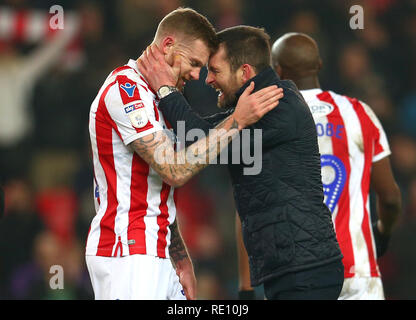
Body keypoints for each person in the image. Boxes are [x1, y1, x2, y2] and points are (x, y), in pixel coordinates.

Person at [85, 8, 282, 300]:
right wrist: (236, 121)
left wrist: (178, 256)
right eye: (193, 63)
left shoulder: (155, 97)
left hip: (156, 249)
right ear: (167, 46)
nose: (196, 75)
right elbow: (173, 171)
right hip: (128, 251)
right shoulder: (126, 90)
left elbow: (157, 187)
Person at [138, 25, 344, 300]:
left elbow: (198, 137)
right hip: (292, 268)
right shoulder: (252, 110)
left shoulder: (278, 106)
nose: (208, 80)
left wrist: (165, 88)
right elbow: (207, 133)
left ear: (244, 72)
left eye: (215, 70)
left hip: (306, 270)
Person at [270, 32, 402, 299]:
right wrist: (382, 232)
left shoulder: (269, 123)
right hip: (358, 272)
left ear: (278, 71)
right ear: (319, 64)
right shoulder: (359, 113)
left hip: (297, 275)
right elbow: (390, 198)